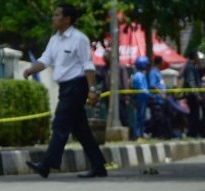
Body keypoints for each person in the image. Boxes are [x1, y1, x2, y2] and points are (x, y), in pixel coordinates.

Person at [23, 3, 107, 178]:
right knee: (80, 129)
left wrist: (92, 89)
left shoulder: (79, 38)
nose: (53, 18)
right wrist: (31, 69)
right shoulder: (54, 39)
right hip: (65, 87)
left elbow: (87, 65)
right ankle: (99, 165)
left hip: (77, 85)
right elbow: (45, 59)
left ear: (67, 19)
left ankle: (46, 164)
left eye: (56, 15)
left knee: (60, 124)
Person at [96, 50, 130, 126]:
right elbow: (99, 78)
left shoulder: (120, 68)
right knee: (110, 113)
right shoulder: (103, 69)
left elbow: (125, 82)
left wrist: (127, 97)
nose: (105, 59)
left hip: (119, 96)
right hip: (108, 96)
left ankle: (127, 131)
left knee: (123, 115)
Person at [147, 56, 172, 139]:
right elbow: (152, 85)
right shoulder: (153, 72)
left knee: (164, 118)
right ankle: (157, 134)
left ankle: (164, 134)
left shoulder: (158, 72)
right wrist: (161, 94)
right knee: (158, 119)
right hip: (157, 100)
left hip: (162, 100)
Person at [183, 50, 202, 138]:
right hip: (192, 96)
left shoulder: (192, 66)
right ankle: (192, 133)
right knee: (194, 115)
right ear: (194, 57)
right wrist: (196, 94)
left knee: (194, 115)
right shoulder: (190, 67)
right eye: (197, 56)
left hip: (192, 94)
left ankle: (193, 132)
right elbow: (191, 81)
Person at [131, 56, 150, 141]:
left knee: (142, 117)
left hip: (142, 98)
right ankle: (138, 135)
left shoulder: (140, 74)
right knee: (139, 117)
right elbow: (141, 88)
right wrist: (149, 95)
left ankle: (141, 135)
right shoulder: (139, 75)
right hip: (140, 99)